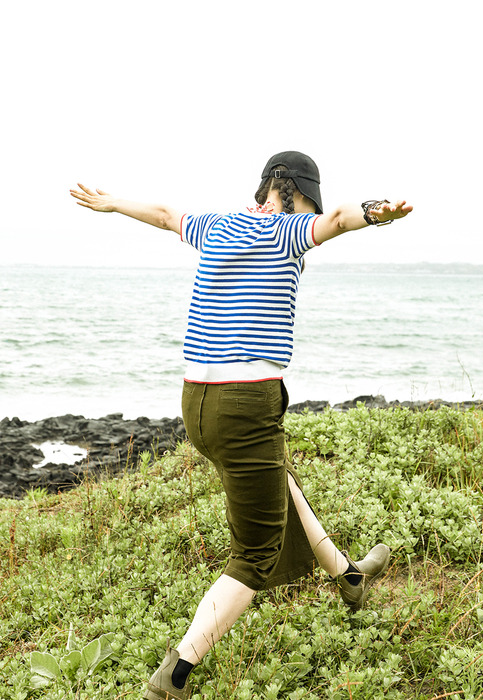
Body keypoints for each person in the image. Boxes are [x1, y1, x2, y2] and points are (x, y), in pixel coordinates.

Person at [70, 151, 412, 700]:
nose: (309, 211)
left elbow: (162, 213)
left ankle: (350, 577)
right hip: (245, 405)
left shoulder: (216, 226)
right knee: (255, 554)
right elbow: (341, 219)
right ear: (293, 192)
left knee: (279, 478)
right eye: (307, 201)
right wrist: (377, 213)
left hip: (196, 404)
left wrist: (112, 204)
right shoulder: (288, 229)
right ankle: (173, 676)